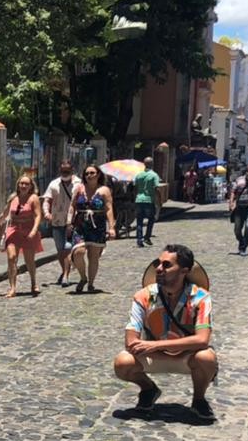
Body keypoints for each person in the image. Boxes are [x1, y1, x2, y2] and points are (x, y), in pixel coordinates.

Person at [113, 243, 218, 422]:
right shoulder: (143, 296)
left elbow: (202, 340)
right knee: (122, 362)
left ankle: (199, 399)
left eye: (167, 265)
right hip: (154, 357)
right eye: (158, 264)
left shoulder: (200, 297)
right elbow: (131, 341)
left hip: (186, 357)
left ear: (184, 271)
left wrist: (153, 345)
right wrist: (153, 348)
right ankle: (148, 389)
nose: (159, 269)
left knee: (206, 358)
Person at [0, 174, 43, 298]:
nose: (24, 186)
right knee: (12, 258)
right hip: (13, 230)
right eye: (22, 183)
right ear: (18, 185)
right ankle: (12, 288)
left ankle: (33, 283)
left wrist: (34, 230)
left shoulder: (34, 198)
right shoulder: (13, 198)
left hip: (28, 230)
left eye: (26, 184)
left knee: (29, 260)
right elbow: (4, 214)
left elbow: (37, 216)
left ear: (31, 186)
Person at [68, 165, 116, 293]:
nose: (89, 175)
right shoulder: (79, 188)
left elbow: (109, 209)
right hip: (81, 225)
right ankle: (83, 277)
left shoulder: (104, 190)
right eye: (87, 173)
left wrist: (111, 227)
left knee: (93, 256)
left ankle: (90, 283)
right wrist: (68, 222)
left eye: (92, 173)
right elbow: (72, 206)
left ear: (98, 175)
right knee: (78, 252)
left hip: (97, 225)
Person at [42, 160, 82, 286]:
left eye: (67, 171)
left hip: (73, 222)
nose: (65, 173)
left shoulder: (79, 183)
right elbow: (47, 200)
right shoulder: (54, 184)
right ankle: (64, 270)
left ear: (72, 170)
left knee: (67, 248)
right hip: (57, 220)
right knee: (60, 250)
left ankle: (66, 275)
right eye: (63, 171)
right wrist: (46, 213)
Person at [133, 158, 162, 247]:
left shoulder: (139, 175)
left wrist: (136, 197)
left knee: (139, 221)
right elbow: (156, 188)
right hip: (149, 200)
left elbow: (135, 188)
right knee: (151, 219)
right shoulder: (154, 175)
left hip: (139, 199)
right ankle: (147, 237)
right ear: (152, 164)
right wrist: (159, 200)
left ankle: (139, 239)